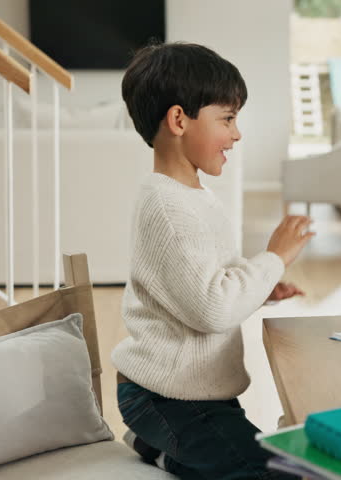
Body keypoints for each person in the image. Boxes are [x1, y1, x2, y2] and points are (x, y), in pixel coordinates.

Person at [111, 42, 309, 479]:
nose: (237, 134)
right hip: (167, 398)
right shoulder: (167, 206)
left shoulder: (192, 196)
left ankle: (161, 452)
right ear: (180, 119)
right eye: (228, 118)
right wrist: (274, 257)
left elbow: (208, 282)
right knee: (271, 472)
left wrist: (257, 287)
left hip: (195, 394)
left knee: (254, 459)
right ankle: (162, 442)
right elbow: (212, 308)